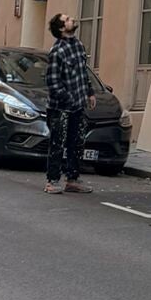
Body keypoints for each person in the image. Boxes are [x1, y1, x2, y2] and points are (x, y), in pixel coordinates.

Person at [44, 12, 95, 195]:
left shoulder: (79, 46)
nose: (71, 19)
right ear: (61, 28)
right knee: (58, 143)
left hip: (78, 105)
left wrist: (89, 92)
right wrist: (68, 97)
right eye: (67, 20)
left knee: (77, 142)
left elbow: (83, 72)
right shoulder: (57, 51)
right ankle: (52, 180)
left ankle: (72, 179)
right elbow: (52, 81)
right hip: (60, 108)